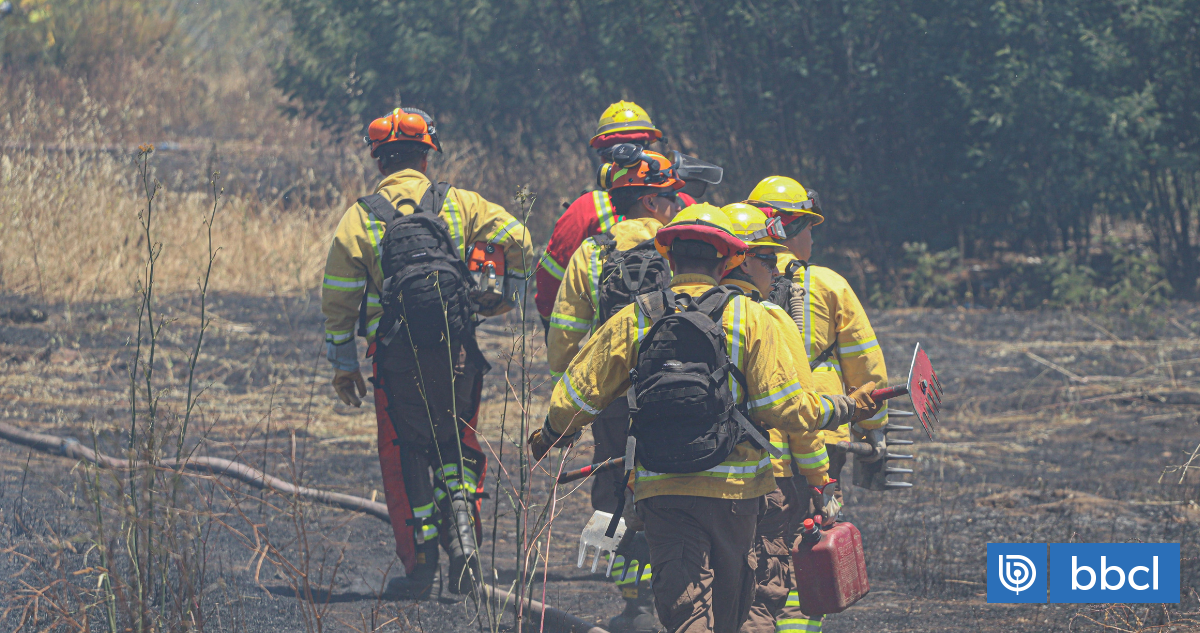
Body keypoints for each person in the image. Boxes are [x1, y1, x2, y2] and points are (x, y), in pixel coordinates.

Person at [530, 204, 875, 633]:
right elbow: (786, 408)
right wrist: (848, 407)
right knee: (732, 613)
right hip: (738, 495)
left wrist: (550, 433)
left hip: (663, 490)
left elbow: (577, 394)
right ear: (730, 258)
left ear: (669, 259)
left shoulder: (636, 316)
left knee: (686, 613)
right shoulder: (753, 317)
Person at [321, 107, 533, 597]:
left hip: (394, 357)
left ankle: (421, 567)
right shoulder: (458, 203)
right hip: (456, 351)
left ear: (379, 163)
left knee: (406, 451)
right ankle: (466, 546)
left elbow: (338, 297)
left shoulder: (360, 217)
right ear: (427, 155)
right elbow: (519, 238)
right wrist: (504, 299)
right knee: (457, 443)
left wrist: (343, 366)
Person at [548, 148, 686, 633]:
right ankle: (679, 596)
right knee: (676, 489)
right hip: (679, 400)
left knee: (615, 494)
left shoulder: (593, 253)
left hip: (613, 406)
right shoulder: (682, 249)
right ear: (651, 202)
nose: (674, 206)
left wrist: (572, 406)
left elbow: (564, 336)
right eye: (669, 198)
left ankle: (635, 606)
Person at [745, 176, 889, 632]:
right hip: (823, 439)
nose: (812, 237)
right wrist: (873, 426)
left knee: (758, 548)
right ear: (789, 227)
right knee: (808, 545)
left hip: (755, 443)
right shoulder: (829, 285)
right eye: (809, 226)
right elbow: (867, 367)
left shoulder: (740, 281)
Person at [718, 204, 833, 633]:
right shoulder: (768, 318)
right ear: (744, 260)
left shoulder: (670, 311)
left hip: (686, 479)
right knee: (765, 591)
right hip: (767, 477)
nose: (776, 268)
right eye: (768, 258)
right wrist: (819, 478)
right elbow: (795, 414)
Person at [534, 101, 692, 335]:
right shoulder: (682, 204)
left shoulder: (584, 209)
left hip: (612, 342)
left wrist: (554, 336)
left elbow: (551, 282)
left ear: (604, 162)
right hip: (678, 337)